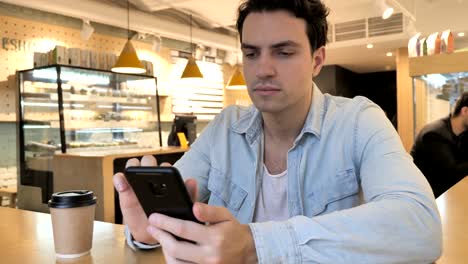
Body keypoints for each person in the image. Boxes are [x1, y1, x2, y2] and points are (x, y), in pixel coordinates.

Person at [113, 0, 442, 263]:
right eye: (251, 53)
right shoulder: (224, 129)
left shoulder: (359, 121)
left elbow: (420, 227)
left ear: (317, 60)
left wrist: (255, 245)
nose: (263, 69)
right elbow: (172, 214)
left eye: (284, 52)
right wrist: (147, 230)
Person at [411, 92, 468, 197]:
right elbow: (451, 174)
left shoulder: (462, 133)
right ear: (465, 111)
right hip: (429, 198)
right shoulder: (433, 134)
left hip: (448, 194)